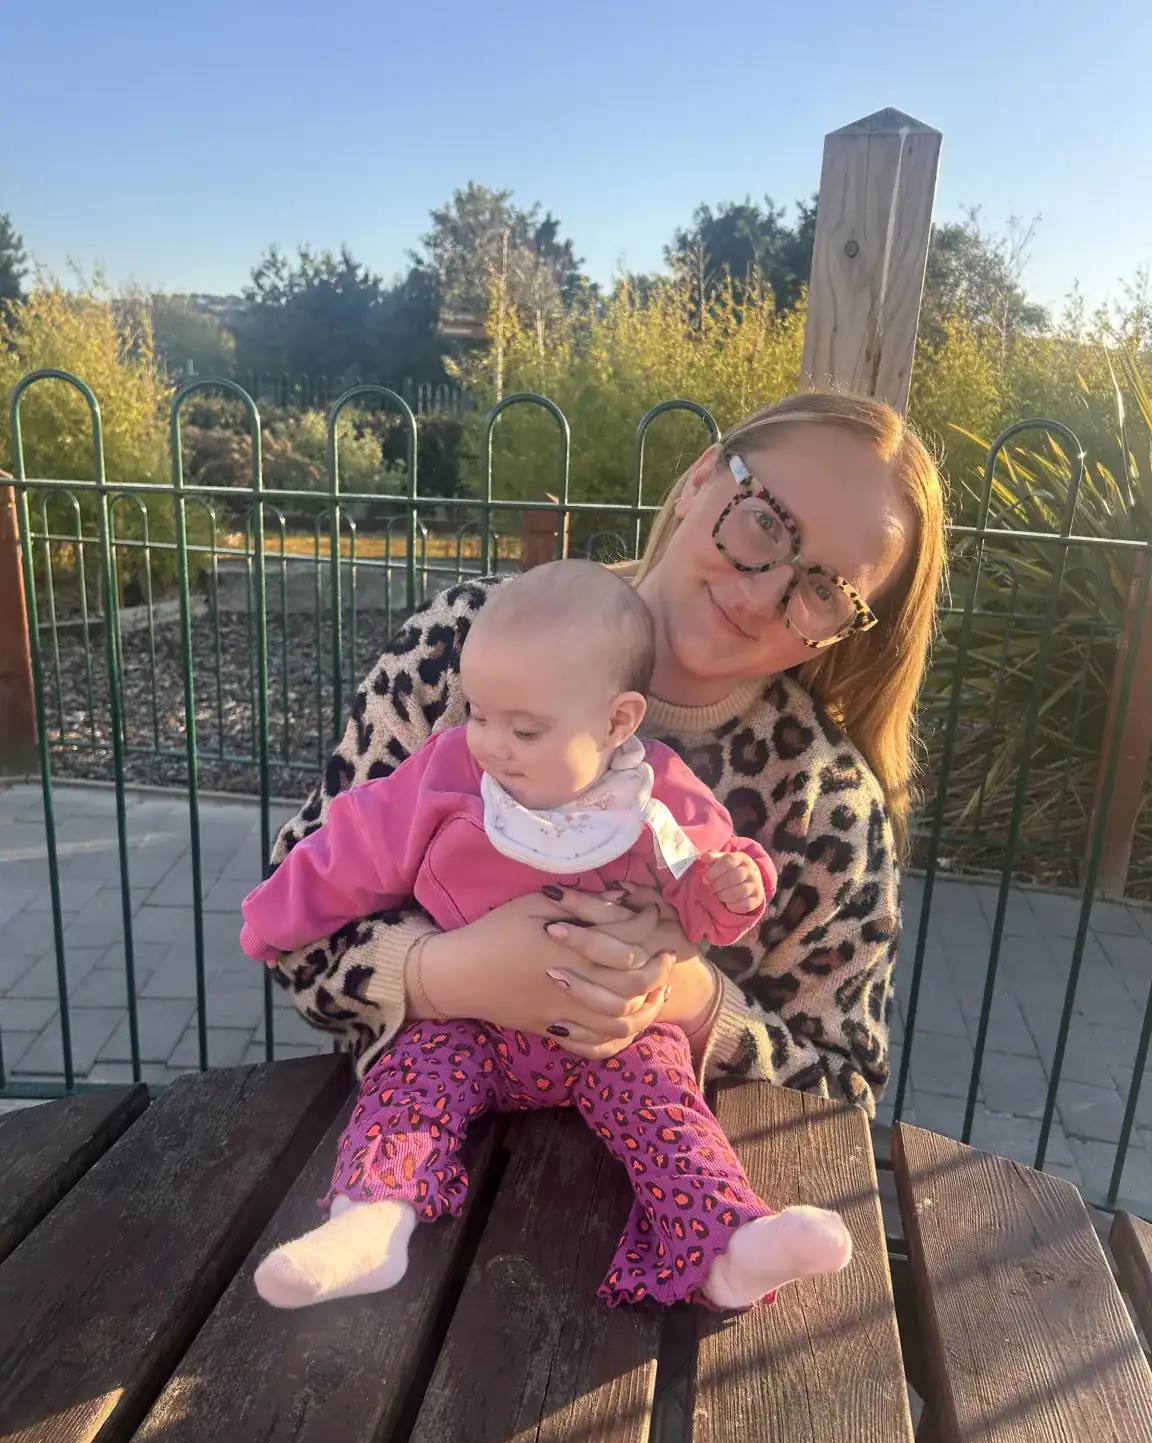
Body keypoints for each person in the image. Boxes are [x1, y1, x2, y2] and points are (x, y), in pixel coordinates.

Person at [269, 390, 945, 1129]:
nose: (761, 595)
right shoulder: (463, 645)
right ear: (700, 478)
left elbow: (843, 1099)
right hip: (415, 1156)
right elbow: (292, 926)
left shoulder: (828, 801)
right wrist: (447, 975)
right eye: (766, 522)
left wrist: (690, 1001)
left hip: (667, 1188)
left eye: (823, 589)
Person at [244, 562, 850, 1311]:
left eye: (525, 729)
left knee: (667, 1106)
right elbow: (354, 849)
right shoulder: (449, 773)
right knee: (413, 1078)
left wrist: (730, 890)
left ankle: (730, 1246)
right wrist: (272, 918)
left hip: (615, 1038)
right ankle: (369, 1220)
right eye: (478, 713)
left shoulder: (655, 796)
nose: (491, 744)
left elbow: (701, 898)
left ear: (617, 722)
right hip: (473, 1024)